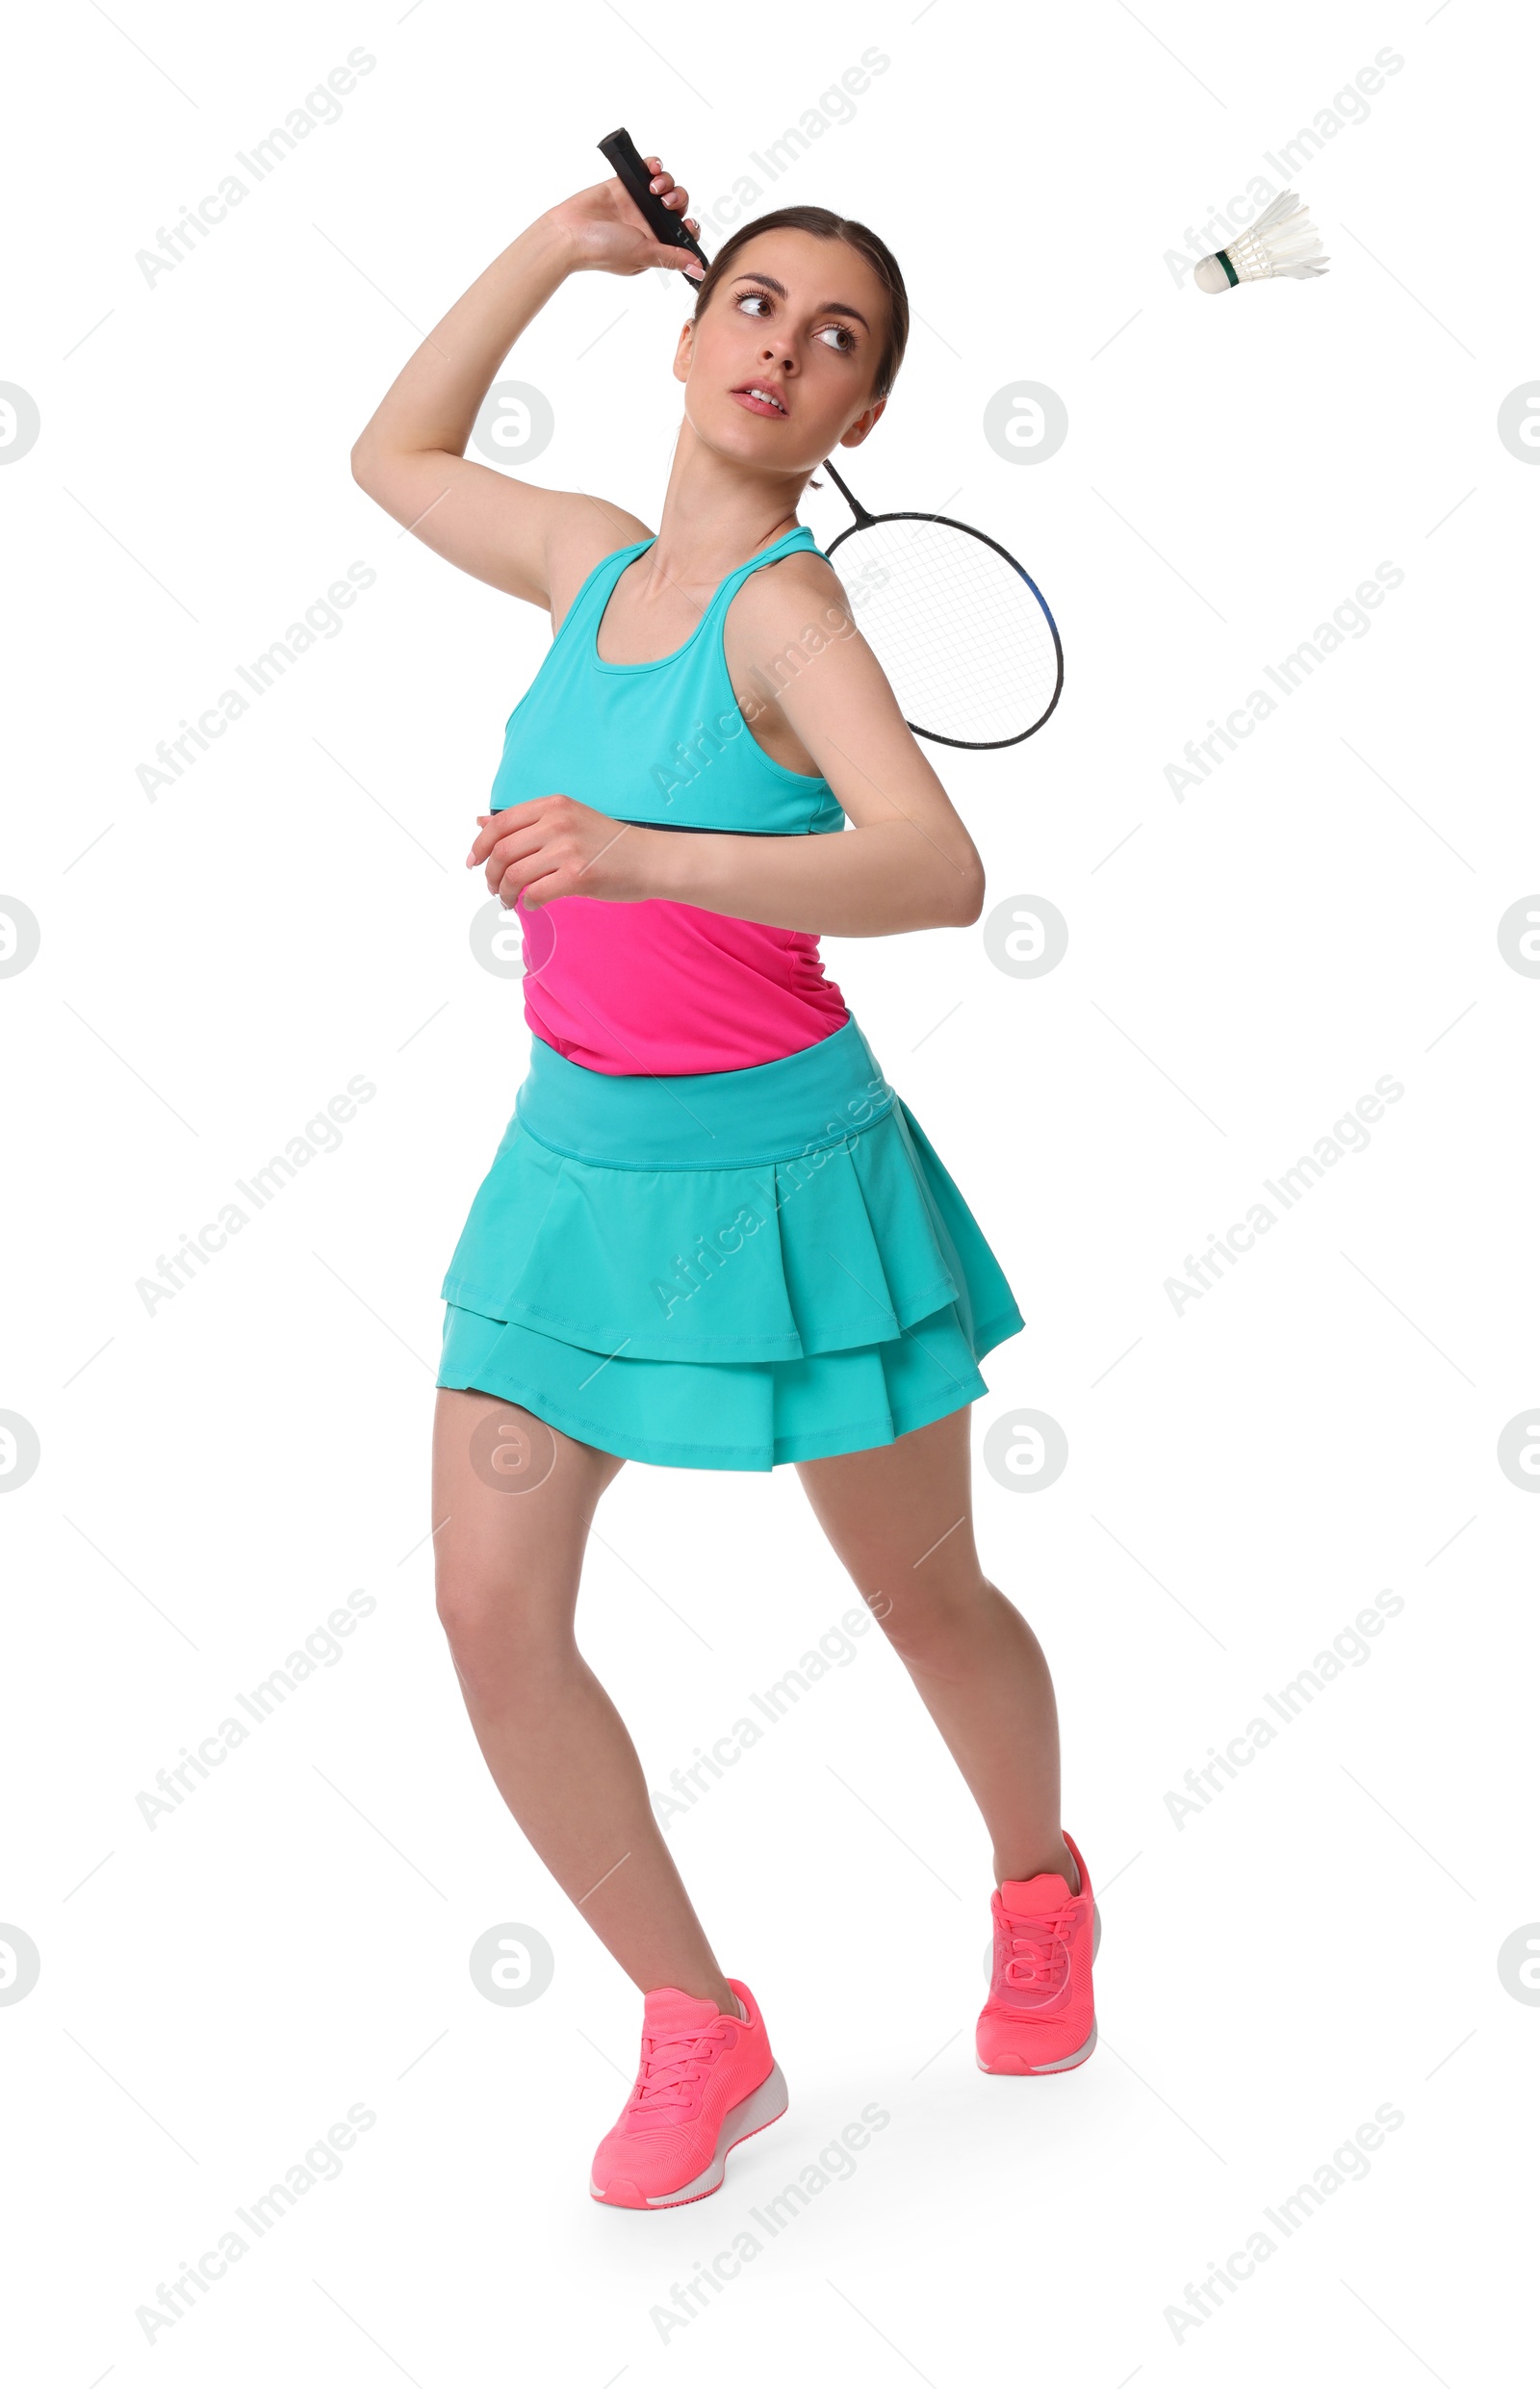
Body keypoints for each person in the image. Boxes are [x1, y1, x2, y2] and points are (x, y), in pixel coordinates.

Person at [350, 152, 1097, 2212]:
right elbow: (392, 451)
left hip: (791, 1181)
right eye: (753, 302)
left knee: (918, 1592)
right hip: (568, 1170)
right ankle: (700, 2019)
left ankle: (1036, 1884)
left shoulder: (791, 618)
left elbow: (935, 869)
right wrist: (553, 245)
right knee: (489, 1618)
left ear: (861, 418)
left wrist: (641, 851)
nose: (782, 343)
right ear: (687, 340)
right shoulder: (588, 564)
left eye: (835, 337)